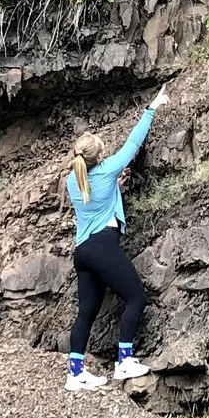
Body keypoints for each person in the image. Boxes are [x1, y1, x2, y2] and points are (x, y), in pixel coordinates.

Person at [62, 88, 168, 391]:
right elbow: (133, 144)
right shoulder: (107, 169)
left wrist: (115, 190)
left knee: (87, 311)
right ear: (100, 158)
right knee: (136, 297)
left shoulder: (74, 179)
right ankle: (124, 361)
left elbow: (94, 202)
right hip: (102, 245)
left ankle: (76, 373)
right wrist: (152, 106)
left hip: (82, 251)